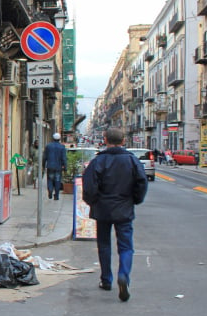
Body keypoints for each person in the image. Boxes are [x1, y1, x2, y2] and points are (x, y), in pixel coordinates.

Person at [82, 127, 148, 302]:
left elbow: (88, 186)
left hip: (102, 209)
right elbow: (141, 183)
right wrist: (134, 200)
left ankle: (106, 280)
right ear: (123, 141)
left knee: (104, 244)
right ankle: (124, 275)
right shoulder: (132, 161)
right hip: (124, 208)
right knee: (126, 246)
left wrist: (93, 202)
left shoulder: (98, 161)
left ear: (105, 140)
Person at [43, 132, 67, 200]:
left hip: (50, 166)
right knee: (57, 181)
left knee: (50, 179)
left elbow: (44, 157)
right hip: (58, 167)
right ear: (59, 139)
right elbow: (64, 158)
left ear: (53, 138)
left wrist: (43, 165)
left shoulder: (48, 146)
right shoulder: (62, 147)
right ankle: (56, 195)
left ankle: (50, 190)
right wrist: (65, 167)